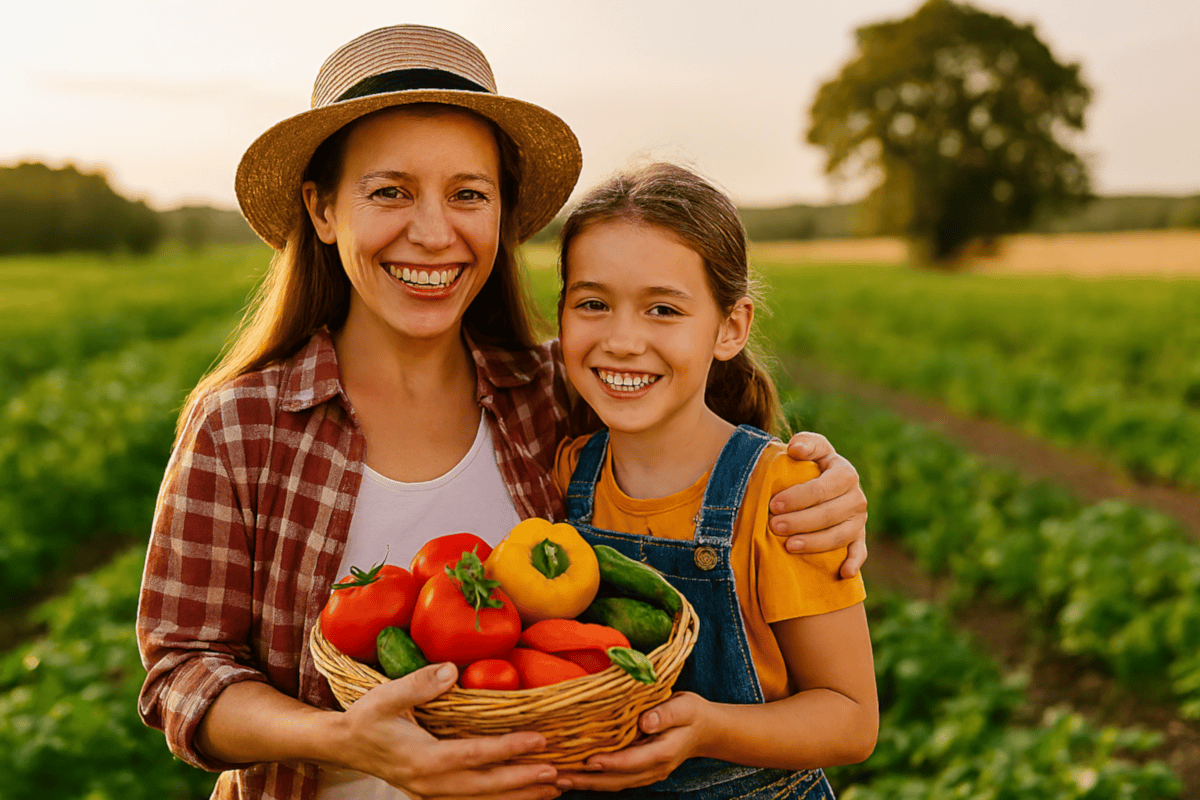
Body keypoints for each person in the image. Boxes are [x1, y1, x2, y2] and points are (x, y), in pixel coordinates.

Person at [135, 24, 870, 800]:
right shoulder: (242, 425)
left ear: (501, 214)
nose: (432, 230)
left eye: (467, 194)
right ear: (321, 210)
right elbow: (183, 671)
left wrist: (824, 484)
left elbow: (696, 452)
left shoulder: (555, 393)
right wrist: (344, 738)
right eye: (389, 191)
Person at [548, 163, 877, 798]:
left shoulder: (784, 494)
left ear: (730, 328)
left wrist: (708, 730)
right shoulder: (569, 473)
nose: (622, 340)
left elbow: (851, 718)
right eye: (593, 303)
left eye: (663, 309)